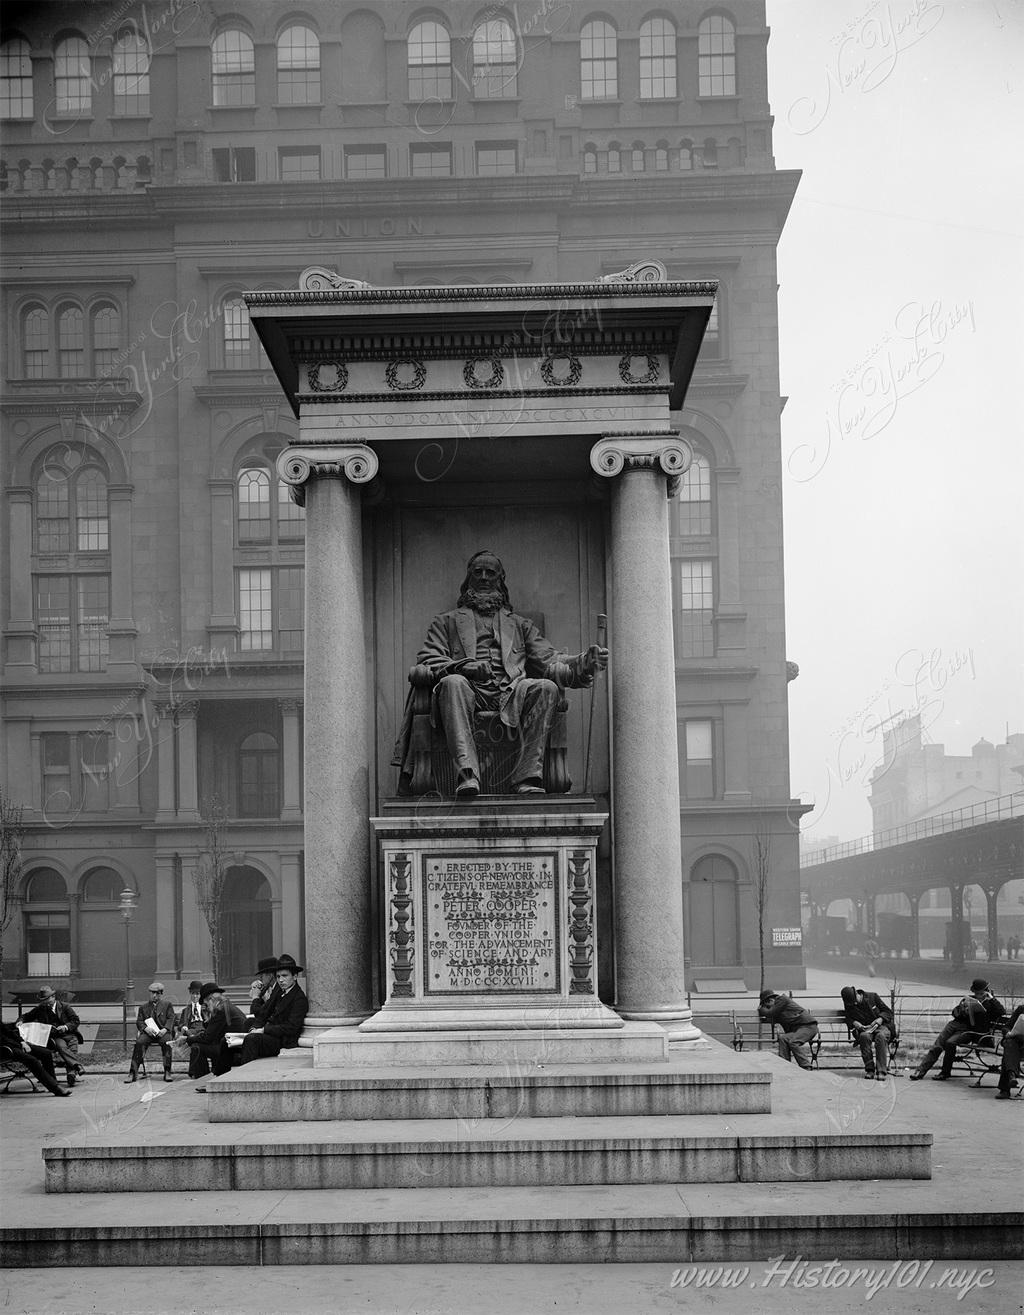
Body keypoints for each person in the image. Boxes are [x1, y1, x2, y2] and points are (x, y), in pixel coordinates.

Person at [392, 550, 608, 798]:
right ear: (469, 579)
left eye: (490, 573)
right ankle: (467, 774)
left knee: (546, 688)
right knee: (453, 682)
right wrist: (463, 666)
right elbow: (428, 660)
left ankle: (526, 778)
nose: (484, 578)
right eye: (478, 572)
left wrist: (584, 662)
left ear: (500, 580)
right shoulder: (447, 622)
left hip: (511, 693)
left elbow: (551, 659)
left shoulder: (519, 625)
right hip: (467, 693)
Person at [909, 978, 1006, 1081]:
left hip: (969, 1031)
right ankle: (921, 1071)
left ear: (986, 992)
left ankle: (945, 1072)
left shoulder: (991, 1004)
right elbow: (954, 1013)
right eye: (977, 993)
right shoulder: (969, 999)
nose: (978, 995)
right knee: (938, 1045)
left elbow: (1002, 1012)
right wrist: (962, 1010)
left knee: (950, 1042)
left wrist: (992, 999)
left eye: (981, 993)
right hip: (954, 1025)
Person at [238, 954, 307, 1064]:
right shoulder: (280, 992)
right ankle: (223, 1072)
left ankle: (245, 1074)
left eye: (285, 976)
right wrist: (255, 1027)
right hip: (272, 1034)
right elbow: (265, 1012)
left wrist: (264, 1030)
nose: (281, 980)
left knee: (251, 1040)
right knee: (228, 1041)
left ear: (294, 976)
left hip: (283, 1040)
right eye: (278, 976)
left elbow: (291, 1027)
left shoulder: (299, 998)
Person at [21, 986, 85, 1086]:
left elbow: (75, 1021)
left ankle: (71, 1073)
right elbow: (26, 1016)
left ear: (53, 997)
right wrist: (20, 1021)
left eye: (47, 999)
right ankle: (76, 1067)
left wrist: (65, 1027)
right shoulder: (40, 1009)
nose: (45, 1002)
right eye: (43, 1000)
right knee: (61, 1046)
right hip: (56, 1037)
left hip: (70, 1034)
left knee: (72, 1047)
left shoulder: (65, 1007)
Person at [188, 984, 248, 1088]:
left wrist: (188, 1039)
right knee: (205, 1045)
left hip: (233, 1051)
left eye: (206, 1002)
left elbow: (207, 1037)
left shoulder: (221, 1011)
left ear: (211, 999)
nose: (205, 1005)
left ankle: (203, 1081)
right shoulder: (225, 1006)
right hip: (232, 1047)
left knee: (196, 1047)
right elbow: (212, 1031)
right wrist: (207, 1016)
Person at [0, 1021, 71, 1096]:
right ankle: (55, 1088)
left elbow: (8, 1031)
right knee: (32, 1060)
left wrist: (22, 1042)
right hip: (4, 1049)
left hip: (14, 1045)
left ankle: (53, 1082)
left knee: (46, 1053)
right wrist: (18, 1045)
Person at [125, 981, 177, 1083]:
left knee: (166, 1043)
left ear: (161, 994)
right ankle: (133, 1072)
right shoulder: (143, 1007)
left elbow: (171, 1018)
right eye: (152, 993)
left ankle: (167, 1071)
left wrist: (165, 1029)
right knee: (139, 1043)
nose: (154, 995)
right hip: (149, 1034)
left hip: (163, 1033)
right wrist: (145, 1029)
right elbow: (139, 1021)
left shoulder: (167, 1005)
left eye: (157, 993)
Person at [840, 985, 896, 1079]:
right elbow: (848, 1018)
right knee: (864, 1037)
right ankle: (870, 1069)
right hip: (865, 1029)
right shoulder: (849, 1003)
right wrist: (854, 1023)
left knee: (881, 1036)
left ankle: (881, 1070)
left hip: (882, 1026)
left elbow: (888, 1012)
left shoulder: (873, 997)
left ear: (858, 994)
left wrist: (880, 1019)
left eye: (855, 1001)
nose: (854, 1003)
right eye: (852, 1003)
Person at [757, 990, 819, 1071]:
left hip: (808, 1026)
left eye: (767, 1005)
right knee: (784, 1039)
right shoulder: (777, 1010)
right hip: (798, 1030)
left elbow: (769, 1013)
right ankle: (785, 1065)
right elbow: (771, 1015)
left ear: (771, 1000)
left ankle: (806, 1066)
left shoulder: (782, 999)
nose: (769, 1007)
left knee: (793, 1042)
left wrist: (761, 1009)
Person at [176, 980, 207, 1079]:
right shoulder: (186, 1010)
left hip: (204, 1028)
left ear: (201, 995)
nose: (195, 996)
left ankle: (193, 1071)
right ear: (190, 994)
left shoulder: (205, 1007)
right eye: (193, 993)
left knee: (195, 1042)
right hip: (192, 1029)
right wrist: (183, 1027)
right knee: (194, 1042)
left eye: (197, 994)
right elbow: (180, 1024)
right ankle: (195, 1071)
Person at [995, 1004, 1023, 1100]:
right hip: (1017, 1044)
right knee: (1010, 1044)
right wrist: (1008, 1033)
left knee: (1009, 1051)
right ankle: (1011, 1076)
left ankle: (1005, 1089)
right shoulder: (1021, 1009)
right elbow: (1007, 1026)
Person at [248, 956, 280, 1026]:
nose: (260, 979)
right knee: (249, 1022)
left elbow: (261, 1015)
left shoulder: (278, 990)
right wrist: (259, 995)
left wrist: (255, 997)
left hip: (275, 1026)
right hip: (270, 1024)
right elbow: (255, 1012)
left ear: (270, 976)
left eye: (261, 976)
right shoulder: (270, 988)